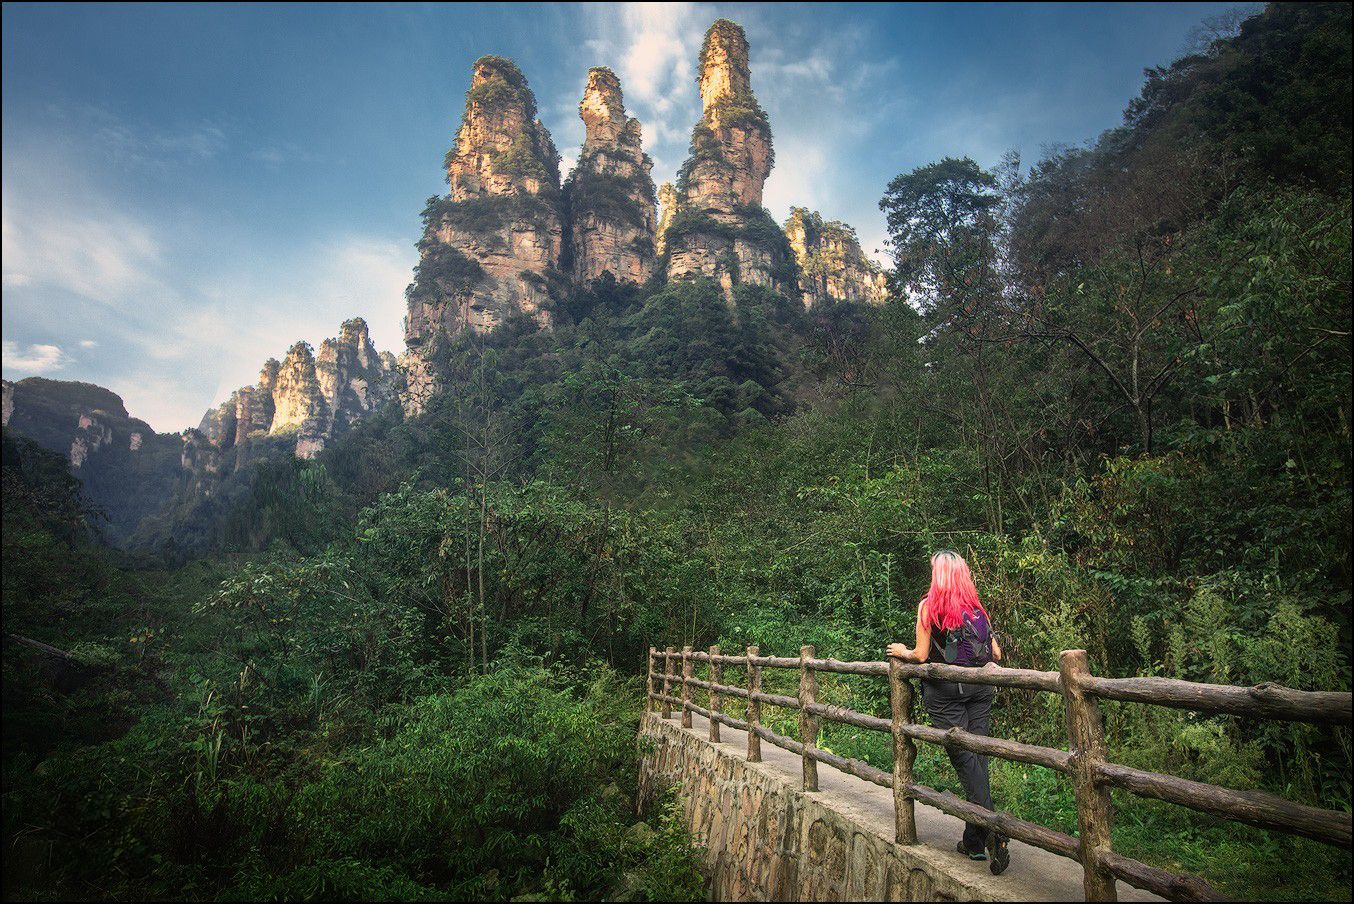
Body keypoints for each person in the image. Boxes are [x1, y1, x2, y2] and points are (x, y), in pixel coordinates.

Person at [887, 549, 1010, 874]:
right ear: (963, 575)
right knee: (978, 759)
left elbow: (922, 654)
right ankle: (973, 840)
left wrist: (903, 651)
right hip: (981, 690)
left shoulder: (930, 606)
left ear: (938, 575)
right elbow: (995, 652)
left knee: (965, 760)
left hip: (947, 695)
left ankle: (994, 829)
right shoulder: (976, 607)